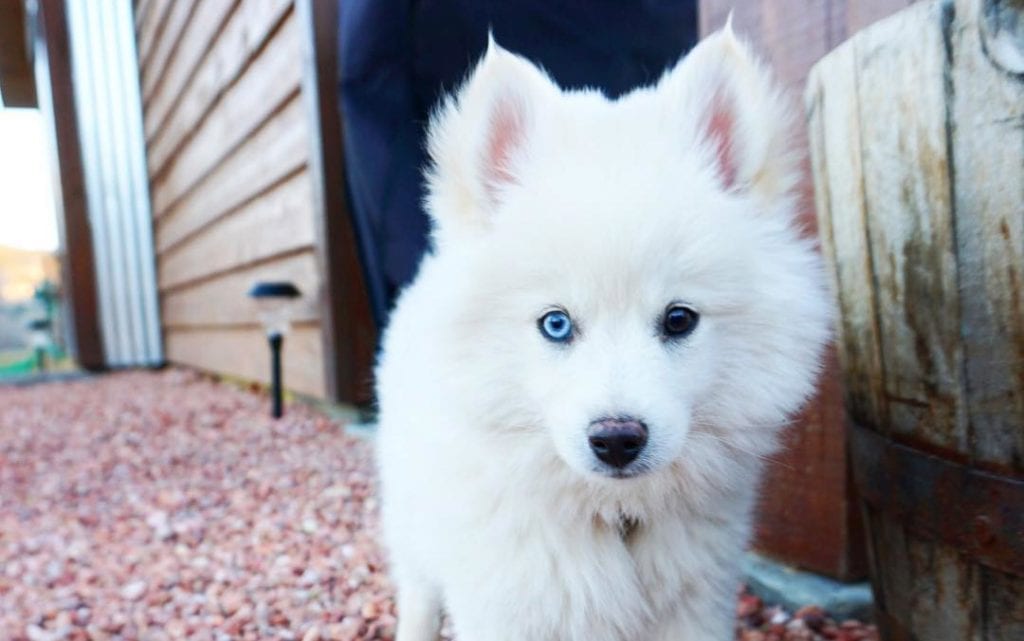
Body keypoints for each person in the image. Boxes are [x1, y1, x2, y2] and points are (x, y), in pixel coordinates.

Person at [339, 0, 699, 323]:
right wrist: (417, 254)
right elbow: (367, 69)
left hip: (644, 135)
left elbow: (365, 69)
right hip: (491, 142)